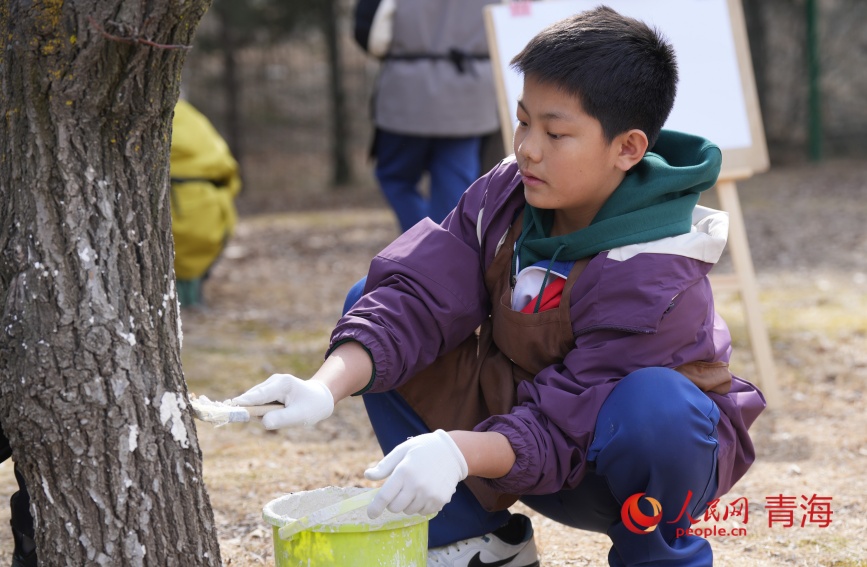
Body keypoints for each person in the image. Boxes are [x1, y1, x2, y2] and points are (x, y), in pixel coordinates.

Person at [235, 7, 766, 566]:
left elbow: (572, 422)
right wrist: (324, 385)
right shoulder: (505, 194)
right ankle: (474, 542)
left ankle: (658, 556)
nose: (529, 148)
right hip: (518, 442)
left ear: (628, 149)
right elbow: (416, 295)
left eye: (556, 133)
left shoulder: (656, 267)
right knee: (370, 297)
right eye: (523, 121)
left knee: (656, 406)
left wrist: (457, 452)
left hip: (611, 466)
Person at [353, 0, 501, 233]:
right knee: (457, 187)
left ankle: (422, 245)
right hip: (470, 95)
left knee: (395, 176)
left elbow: (368, 31)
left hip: (408, 94)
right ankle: (443, 251)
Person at [169, 99, 242, 307]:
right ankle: (191, 299)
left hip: (179, 207)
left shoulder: (165, 115)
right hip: (212, 210)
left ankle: (182, 302)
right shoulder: (192, 118)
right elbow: (227, 169)